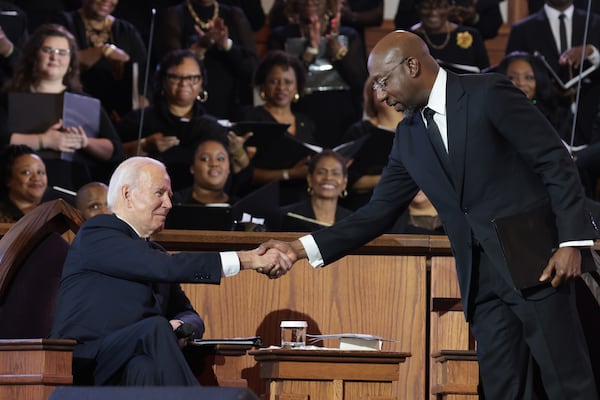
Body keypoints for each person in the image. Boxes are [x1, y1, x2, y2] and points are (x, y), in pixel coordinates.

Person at [263, 30, 599, 399]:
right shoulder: (408, 138)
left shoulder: (487, 93)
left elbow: (555, 161)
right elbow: (375, 213)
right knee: (503, 390)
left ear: (412, 65)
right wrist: (296, 249)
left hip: (538, 265)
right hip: (481, 285)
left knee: (568, 384)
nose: (379, 94)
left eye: (383, 81)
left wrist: (571, 242)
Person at [50, 156, 292, 386]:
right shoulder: (98, 232)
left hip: (134, 358)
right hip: (84, 358)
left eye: (169, 195)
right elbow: (166, 267)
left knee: (144, 365)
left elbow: (189, 314)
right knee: (155, 327)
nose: (168, 204)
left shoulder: (154, 252)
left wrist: (183, 326)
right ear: (127, 194)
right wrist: (247, 259)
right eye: (159, 193)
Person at [0, 24, 123, 190]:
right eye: (48, 50)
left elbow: (114, 150)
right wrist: (44, 141)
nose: (54, 57)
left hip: (72, 188)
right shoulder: (8, 98)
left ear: (71, 62)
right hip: (16, 190)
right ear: (33, 57)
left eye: (62, 52)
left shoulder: (85, 103)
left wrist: (84, 142)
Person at [116, 49, 250, 191]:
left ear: (201, 83)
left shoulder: (213, 127)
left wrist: (238, 152)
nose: (184, 83)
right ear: (162, 81)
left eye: (192, 78)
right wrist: (144, 146)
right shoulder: (139, 120)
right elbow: (112, 156)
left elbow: (241, 177)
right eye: (175, 77)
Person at [267, 0, 367, 148]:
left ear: (328, 4)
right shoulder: (281, 36)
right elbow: (279, 81)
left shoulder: (348, 35)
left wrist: (337, 52)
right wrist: (309, 52)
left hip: (341, 115)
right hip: (300, 115)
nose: (310, 2)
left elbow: (360, 83)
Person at [505, 0, 600, 149]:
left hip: (591, 119)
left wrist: (593, 53)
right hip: (544, 122)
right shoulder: (522, 29)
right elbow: (509, 77)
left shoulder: (595, 22)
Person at [236, 50, 316, 204]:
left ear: (297, 87)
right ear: (263, 86)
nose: (281, 87)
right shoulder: (251, 117)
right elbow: (245, 173)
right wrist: (290, 173)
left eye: (288, 82)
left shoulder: (307, 122)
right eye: (274, 81)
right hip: (261, 199)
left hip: (301, 200)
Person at [159, 0, 258, 120]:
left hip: (230, 105)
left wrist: (226, 45)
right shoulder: (175, 14)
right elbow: (170, 65)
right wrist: (199, 48)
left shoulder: (234, 14)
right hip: (188, 106)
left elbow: (251, 67)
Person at [53, 0, 149, 122]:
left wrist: (136, 112)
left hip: (118, 113)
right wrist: (104, 50)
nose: (107, 1)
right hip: (72, 105)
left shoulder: (126, 30)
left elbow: (142, 77)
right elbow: (60, 61)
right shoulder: (64, 23)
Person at [278, 150, 353, 231]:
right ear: (310, 179)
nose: (328, 177)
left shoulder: (352, 221)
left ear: (344, 182)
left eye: (335, 173)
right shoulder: (287, 216)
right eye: (321, 172)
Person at [411, 0, 489, 73]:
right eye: (426, 7)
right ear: (418, 8)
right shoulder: (409, 37)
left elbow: (485, 71)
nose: (433, 13)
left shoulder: (471, 35)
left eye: (440, 7)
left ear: (450, 7)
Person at [171, 136, 249, 205]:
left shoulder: (240, 207)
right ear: (192, 168)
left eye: (220, 159)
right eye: (205, 159)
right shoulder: (173, 203)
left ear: (229, 168)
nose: (214, 163)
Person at [0, 144, 47, 222]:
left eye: (40, 172)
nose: (36, 178)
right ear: (8, 179)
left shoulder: (52, 215)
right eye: (26, 172)